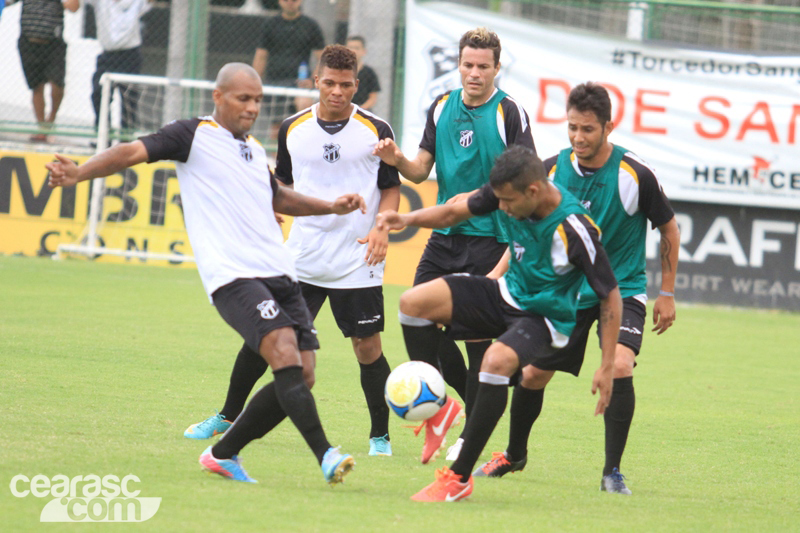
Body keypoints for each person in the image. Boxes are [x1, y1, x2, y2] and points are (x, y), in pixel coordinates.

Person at [46, 63, 363, 486]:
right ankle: (325, 454)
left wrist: (330, 206)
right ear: (218, 96)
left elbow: (279, 196)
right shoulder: (191, 135)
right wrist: (80, 171)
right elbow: (131, 152)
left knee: (302, 374)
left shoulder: (251, 148)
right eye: (242, 99)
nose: (252, 108)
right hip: (234, 276)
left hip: (281, 273)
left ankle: (223, 452)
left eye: (257, 101)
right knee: (284, 353)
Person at [184, 45, 401, 457]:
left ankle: (379, 437)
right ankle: (227, 415)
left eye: (346, 85)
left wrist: (381, 227)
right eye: (330, 83)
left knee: (367, 347)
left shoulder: (376, 128)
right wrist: (272, 214)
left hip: (357, 256)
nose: (338, 92)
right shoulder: (292, 127)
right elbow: (280, 184)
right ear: (316, 81)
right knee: (265, 337)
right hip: (300, 255)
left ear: (357, 85)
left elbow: (391, 187)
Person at [376, 145, 622, 501]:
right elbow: (451, 214)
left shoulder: (575, 228)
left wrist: (607, 364)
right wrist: (406, 219)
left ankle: (457, 479)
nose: (501, 207)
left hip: (545, 317)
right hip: (506, 293)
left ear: (533, 191)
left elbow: (610, 295)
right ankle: (442, 410)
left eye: (508, 202)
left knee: (495, 362)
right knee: (413, 303)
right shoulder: (507, 189)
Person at [473, 82, 680, 494]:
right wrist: (494, 276)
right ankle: (514, 455)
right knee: (532, 374)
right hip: (565, 293)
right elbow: (524, 236)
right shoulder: (548, 171)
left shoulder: (634, 173)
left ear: (609, 127)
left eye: (588, 129)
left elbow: (669, 228)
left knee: (619, 366)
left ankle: (612, 472)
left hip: (620, 290)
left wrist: (668, 292)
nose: (578, 138)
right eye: (572, 128)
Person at [373, 27, 536, 464]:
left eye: (484, 66)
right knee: (414, 311)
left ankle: (469, 439)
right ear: (458, 65)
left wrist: (502, 256)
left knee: (480, 349)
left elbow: (528, 180)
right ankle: (443, 409)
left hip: (490, 241)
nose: (475, 73)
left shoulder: (509, 113)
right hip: (444, 239)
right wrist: (396, 160)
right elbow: (420, 170)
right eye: (468, 65)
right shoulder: (442, 105)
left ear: (497, 68)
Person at [84, 0, 151, 133]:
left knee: (129, 100)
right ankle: (103, 135)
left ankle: (125, 140)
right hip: (107, 55)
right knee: (98, 95)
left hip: (130, 55)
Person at [17, 0, 80, 142]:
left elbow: (74, 7)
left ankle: (50, 120)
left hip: (53, 43)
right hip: (29, 41)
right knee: (36, 87)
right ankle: (42, 128)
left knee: (57, 84)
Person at [252, 0, 325, 118]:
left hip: (300, 83)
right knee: (277, 128)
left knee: (303, 114)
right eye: (286, 0)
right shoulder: (270, 25)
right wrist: (254, 83)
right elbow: (261, 56)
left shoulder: (310, 25)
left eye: (294, 0)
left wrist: (313, 80)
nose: (290, 3)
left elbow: (323, 58)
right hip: (274, 82)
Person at [346, 35, 379, 110]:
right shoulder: (339, 71)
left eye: (357, 48)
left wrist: (360, 110)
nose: (353, 51)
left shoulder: (369, 72)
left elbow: (373, 98)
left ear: (364, 51)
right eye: (350, 47)